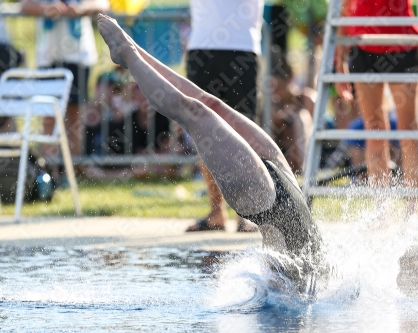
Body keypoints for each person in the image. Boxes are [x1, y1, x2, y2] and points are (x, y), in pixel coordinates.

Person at [96, 14, 323, 269]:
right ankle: (132, 50)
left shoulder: (292, 292)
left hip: (264, 201)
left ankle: (128, 53)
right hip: (286, 184)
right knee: (210, 104)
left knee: (194, 112)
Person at [335, 0, 418, 210]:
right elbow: (344, 6)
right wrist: (340, 59)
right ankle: (380, 209)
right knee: (374, 129)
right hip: (363, 44)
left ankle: (412, 207)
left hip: (403, 45)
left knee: (408, 127)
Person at [184, 0, 264, 232]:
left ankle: (248, 212)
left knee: (245, 133)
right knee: (203, 130)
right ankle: (216, 212)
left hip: (243, 45)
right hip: (203, 44)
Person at [21, 0, 109, 177]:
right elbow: (24, 6)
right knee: (49, 116)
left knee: (75, 116)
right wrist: (46, 9)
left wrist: (79, 10)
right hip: (48, 58)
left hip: (79, 57)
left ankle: (73, 170)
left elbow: (103, 4)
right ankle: (48, 172)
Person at [270, 54, 314, 173]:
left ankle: (303, 169)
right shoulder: (272, 103)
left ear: (289, 80)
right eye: (272, 88)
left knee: (301, 118)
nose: (275, 92)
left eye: (279, 87)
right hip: (283, 145)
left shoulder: (306, 98)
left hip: (306, 145)